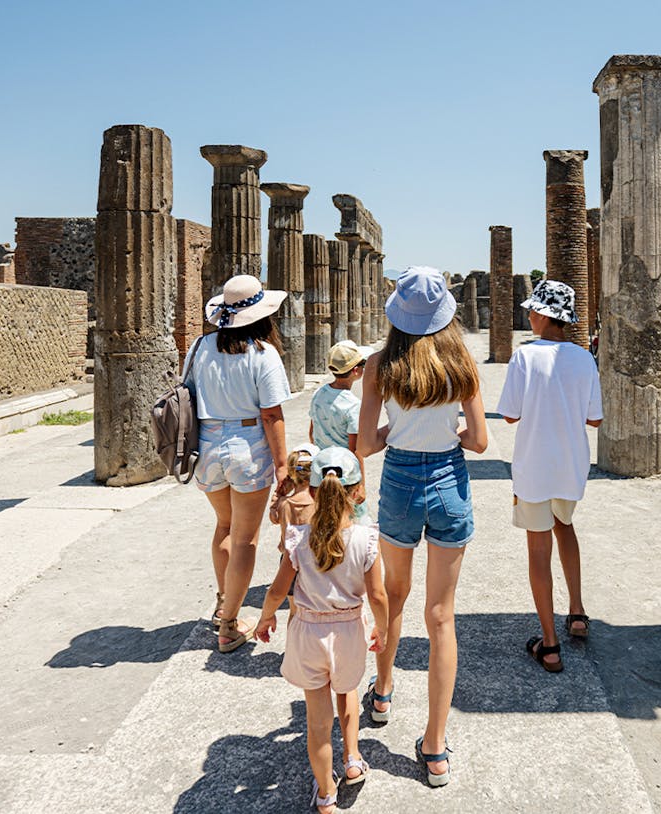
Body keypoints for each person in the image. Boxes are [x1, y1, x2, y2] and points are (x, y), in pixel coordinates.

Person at [356, 265, 488, 788]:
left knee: (393, 595)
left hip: (400, 481)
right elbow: (478, 441)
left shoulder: (378, 366)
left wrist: (400, 423)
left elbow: (366, 445)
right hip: (448, 481)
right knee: (441, 617)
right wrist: (447, 424)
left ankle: (383, 690)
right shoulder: (461, 363)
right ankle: (434, 748)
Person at [255, 447, 388, 814]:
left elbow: (277, 590)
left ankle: (327, 794)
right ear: (357, 491)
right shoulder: (366, 538)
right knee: (348, 693)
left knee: (317, 723)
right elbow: (377, 594)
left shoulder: (298, 539)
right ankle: (353, 758)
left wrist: (266, 618)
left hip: (309, 634)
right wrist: (384, 628)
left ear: (311, 491)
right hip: (349, 632)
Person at [495, 280, 602, 672]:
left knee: (538, 548)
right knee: (566, 528)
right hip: (571, 463)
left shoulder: (524, 358)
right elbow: (594, 417)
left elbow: (510, 414)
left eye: (531, 310)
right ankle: (576, 612)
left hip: (534, 465)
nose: (528, 315)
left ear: (541, 315)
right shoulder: (584, 359)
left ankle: (550, 643)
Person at [183, 274, 292, 653]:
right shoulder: (263, 354)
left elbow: (189, 396)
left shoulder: (199, 347)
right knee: (246, 538)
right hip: (248, 449)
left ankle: (223, 602)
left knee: (224, 526)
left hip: (208, 446)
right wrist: (282, 466)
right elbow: (271, 415)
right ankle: (229, 625)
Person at [309, 341, 371, 452]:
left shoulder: (318, 393)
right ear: (356, 371)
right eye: (363, 364)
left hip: (321, 461)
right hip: (343, 465)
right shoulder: (353, 404)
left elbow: (312, 433)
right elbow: (355, 450)